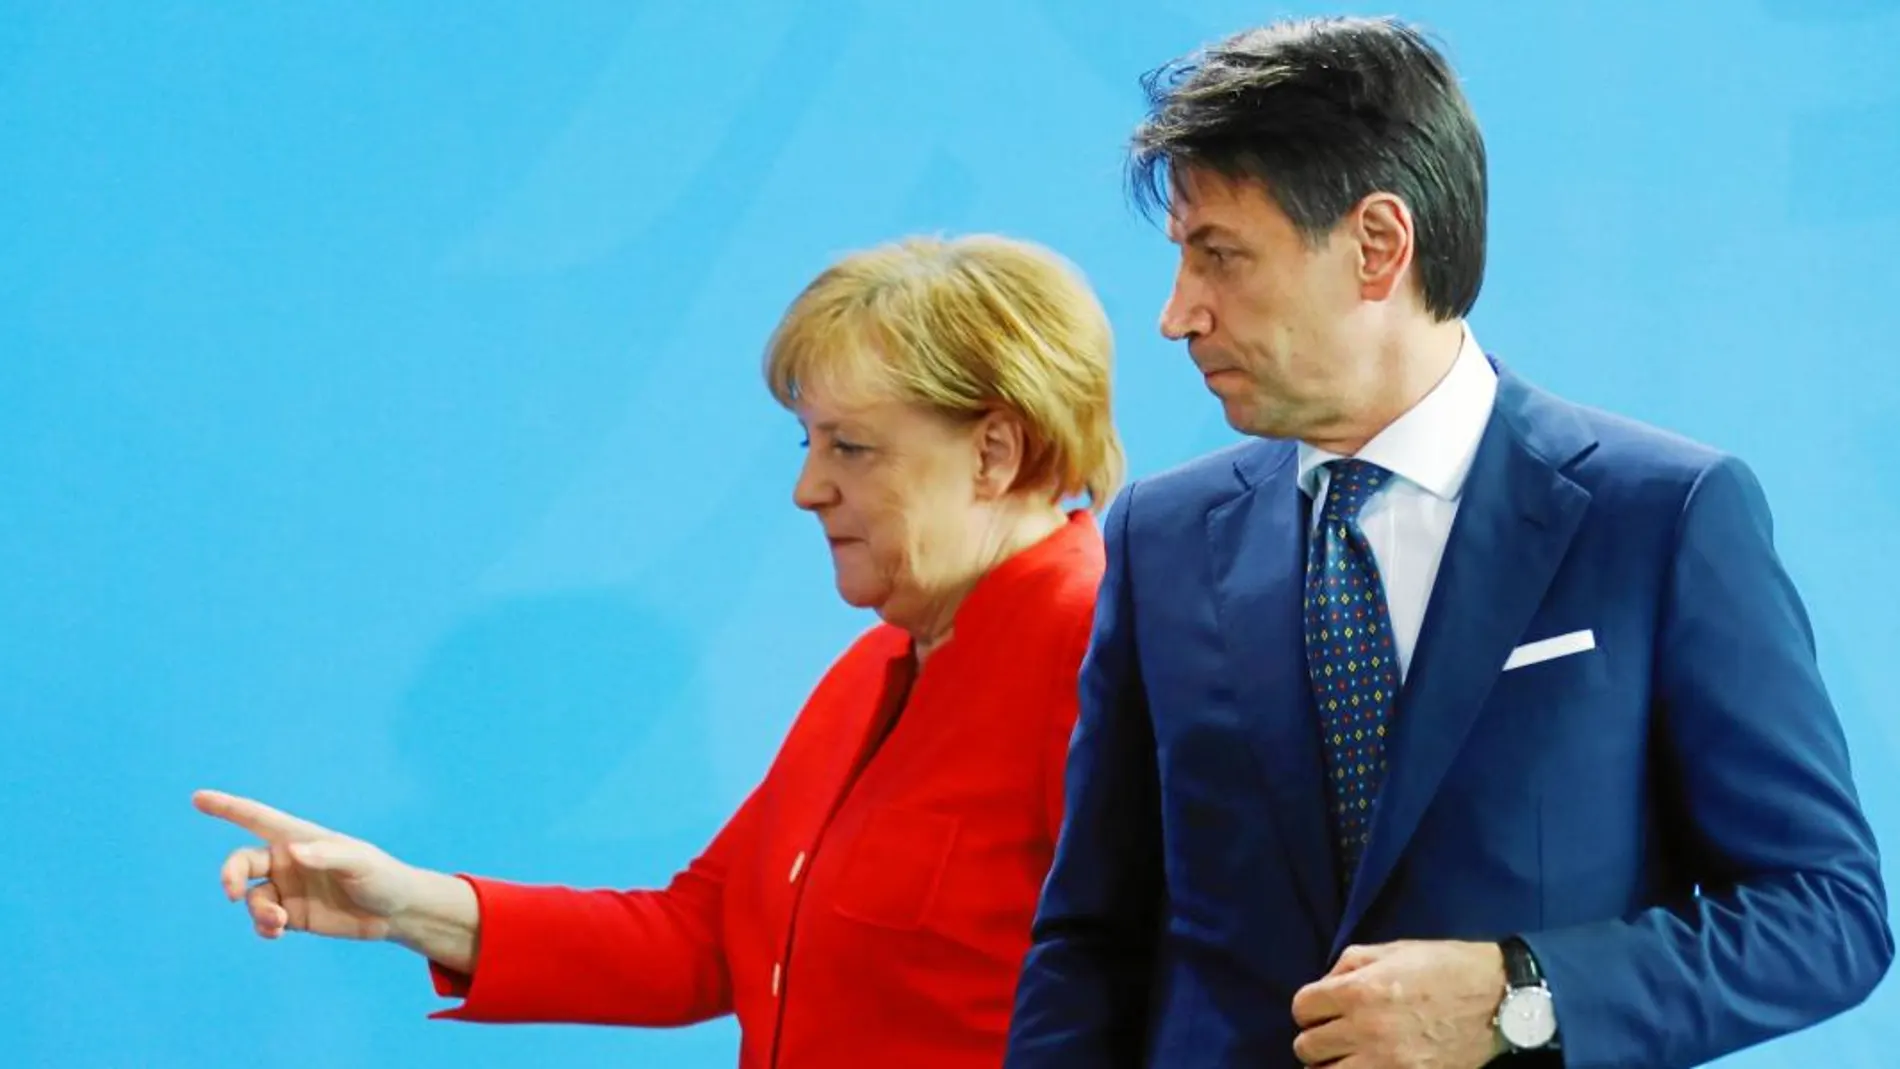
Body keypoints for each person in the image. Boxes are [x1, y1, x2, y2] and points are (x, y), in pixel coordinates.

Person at [1005, 16, 1891, 1069]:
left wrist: (1526, 994)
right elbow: (1090, 941)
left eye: (1219, 256)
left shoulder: (1660, 517)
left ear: (1377, 245)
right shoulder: (1159, 538)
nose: (1176, 314)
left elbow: (1826, 916)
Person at [196, 233, 1125, 1069]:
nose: (808, 488)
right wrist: (405, 904)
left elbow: (1179, 994)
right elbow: (705, 937)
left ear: (995, 451)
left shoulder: (1104, 655)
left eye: (852, 449)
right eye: (809, 443)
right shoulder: (877, 667)